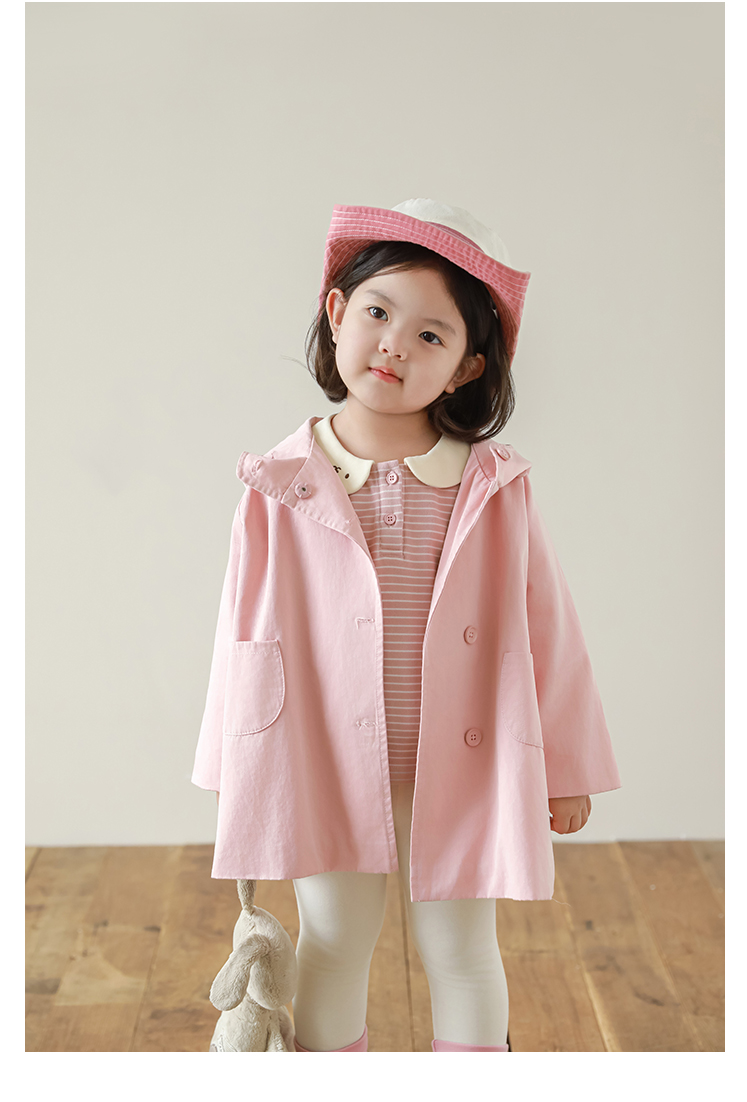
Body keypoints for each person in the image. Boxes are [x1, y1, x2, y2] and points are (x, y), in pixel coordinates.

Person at [192, 199, 622, 1053]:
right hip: (320, 757)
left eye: (431, 335)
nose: (394, 344)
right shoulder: (280, 482)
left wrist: (567, 767)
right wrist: (232, 760)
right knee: (334, 940)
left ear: (467, 368)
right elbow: (242, 632)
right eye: (379, 313)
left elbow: (549, 627)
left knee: (462, 949)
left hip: (463, 763)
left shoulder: (491, 486)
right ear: (337, 312)